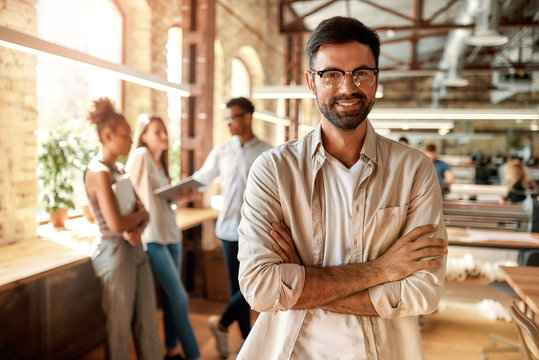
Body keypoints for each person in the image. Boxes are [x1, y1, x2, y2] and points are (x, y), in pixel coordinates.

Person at [236, 17, 448, 359]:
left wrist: (303, 280)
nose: (347, 87)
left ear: (376, 79)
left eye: (361, 73)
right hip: (292, 350)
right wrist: (382, 270)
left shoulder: (413, 171)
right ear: (311, 81)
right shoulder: (274, 171)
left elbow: (423, 292)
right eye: (331, 74)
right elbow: (261, 288)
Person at [191, 97, 271, 357]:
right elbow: (200, 179)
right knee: (236, 289)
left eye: (232, 118)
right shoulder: (222, 150)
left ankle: (222, 324)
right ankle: (248, 344)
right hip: (228, 230)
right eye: (226, 119)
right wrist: (174, 193)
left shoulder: (267, 152)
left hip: (257, 233)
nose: (228, 124)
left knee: (252, 287)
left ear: (247, 117)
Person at [84, 98, 162, 360]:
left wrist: (138, 223)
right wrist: (137, 219)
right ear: (107, 135)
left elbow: (146, 212)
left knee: (148, 323)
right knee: (118, 329)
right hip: (114, 255)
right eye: (126, 135)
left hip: (135, 248)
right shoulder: (98, 172)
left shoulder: (119, 169)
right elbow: (116, 224)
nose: (131, 140)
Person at [126, 115, 200, 360]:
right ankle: (194, 355)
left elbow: (159, 200)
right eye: (157, 131)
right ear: (143, 135)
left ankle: (172, 350)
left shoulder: (160, 164)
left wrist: (181, 196)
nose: (163, 136)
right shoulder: (140, 157)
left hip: (171, 234)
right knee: (179, 296)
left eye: (164, 131)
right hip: (153, 237)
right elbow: (128, 193)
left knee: (171, 298)